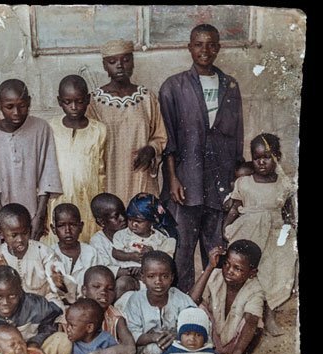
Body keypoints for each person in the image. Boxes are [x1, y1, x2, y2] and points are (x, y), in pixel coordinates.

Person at [158, 24, 245, 293]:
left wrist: (235, 179)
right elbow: (167, 138)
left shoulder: (230, 85)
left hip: (219, 183)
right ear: (189, 47)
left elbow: (237, 137)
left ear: (218, 47)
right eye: (198, 44)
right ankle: (184, 305)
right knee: (182, 249)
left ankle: (214, 304)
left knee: (216, 246)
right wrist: (173, 178)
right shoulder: (173, 87)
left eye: (210, 45)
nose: (204, 50)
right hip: (186, 183)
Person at [222, 134, 297, 335]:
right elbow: (234, 209)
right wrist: (226, 228)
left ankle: (269, 315)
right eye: (256, 158)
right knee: (248, 272)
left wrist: (285, 239)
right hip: (249, 232)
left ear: (277, 157)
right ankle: (244, 317)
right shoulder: (244, 183)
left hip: (274, 235)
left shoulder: (284, 184)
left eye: (267, 157)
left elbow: (288, 214)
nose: (261, 162)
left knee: (274, 273)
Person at [0, 79, 63, 240]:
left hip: (34, 212)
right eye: (9, 107)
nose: (16, 112)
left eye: (22, 106)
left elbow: (47, 177)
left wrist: (39, 217)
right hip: (2, 216)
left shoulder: (41, 128)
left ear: (29, 102)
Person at [86, 39, 168, 204]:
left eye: (126, 60)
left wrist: (151, 150)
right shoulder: (94, 101)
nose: (120, 65)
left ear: (133, 62)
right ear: (104, 66)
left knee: (141, 219)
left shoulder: (146, 97)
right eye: (112, 61)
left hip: (140, 173)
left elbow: (160, 136)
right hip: (109, 175)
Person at [114, 251, 196, 354]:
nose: (158, 281)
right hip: (145, 350)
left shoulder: (179, 298)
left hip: (175, 346)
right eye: (151, 276)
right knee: (154, 351)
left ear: (172, 277)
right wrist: (154, 337)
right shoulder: (136, 300)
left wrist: (178, 334)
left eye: (164, 276)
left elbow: (194, 320)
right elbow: (133, 335)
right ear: (142, 277)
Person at [189, 240, 265, 354]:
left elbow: (251, 321)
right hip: (211, 339)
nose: (229, 271)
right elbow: (192, 301)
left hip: (236, 345)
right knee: (198, 309)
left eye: (238, 269)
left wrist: (237, 352)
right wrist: (209, 267)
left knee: (255, 320)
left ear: (252, 273)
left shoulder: (255, 290)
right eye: (226, 264)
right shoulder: (216, 275)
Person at [46, 75, 107, 243]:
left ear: (88, 100)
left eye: (79, 102)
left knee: (87, 243)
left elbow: (102, 171)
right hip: (57, 200)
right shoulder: (50, 128)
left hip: (88, 199)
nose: (74, 107)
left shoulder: (99, 130)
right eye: (67, 102)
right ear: (59, 101)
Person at [0, 203, 77, 310]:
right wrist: (2, 273)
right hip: (15, 306)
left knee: (57, 309)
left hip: (44, 302)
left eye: (24, 233)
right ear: (1, 233)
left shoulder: (43, 252)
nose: (20, 239)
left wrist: (59, 282)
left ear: (30, 229)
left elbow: (64, 290)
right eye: (14, 235)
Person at [112, 192, 177, 268]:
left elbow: (166, 260)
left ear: (151, 222)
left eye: (139, 221)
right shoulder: (121, 235)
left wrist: (152, 254)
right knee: (124, 280)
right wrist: (130, 256)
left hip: (150, 274)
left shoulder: (161, 239)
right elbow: (115, 253)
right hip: (127, 272)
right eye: (130, 220)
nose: (133, 224)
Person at [88, 193, 139, 290]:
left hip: (142, 281)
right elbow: (102, 270)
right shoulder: (98, 241)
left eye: (123, 213)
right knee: (122, 283)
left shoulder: (135, 232)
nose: (123, 218)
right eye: (116, 216)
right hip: (116, 286)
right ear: (101, 222)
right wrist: (128, 272)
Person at [49, 203, 100, 295]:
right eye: (61, 225)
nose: (68, 230)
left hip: (86, 304)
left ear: (81, 227)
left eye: (73, 224)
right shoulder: (48, 254)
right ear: (53, 229)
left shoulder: (91, 253)